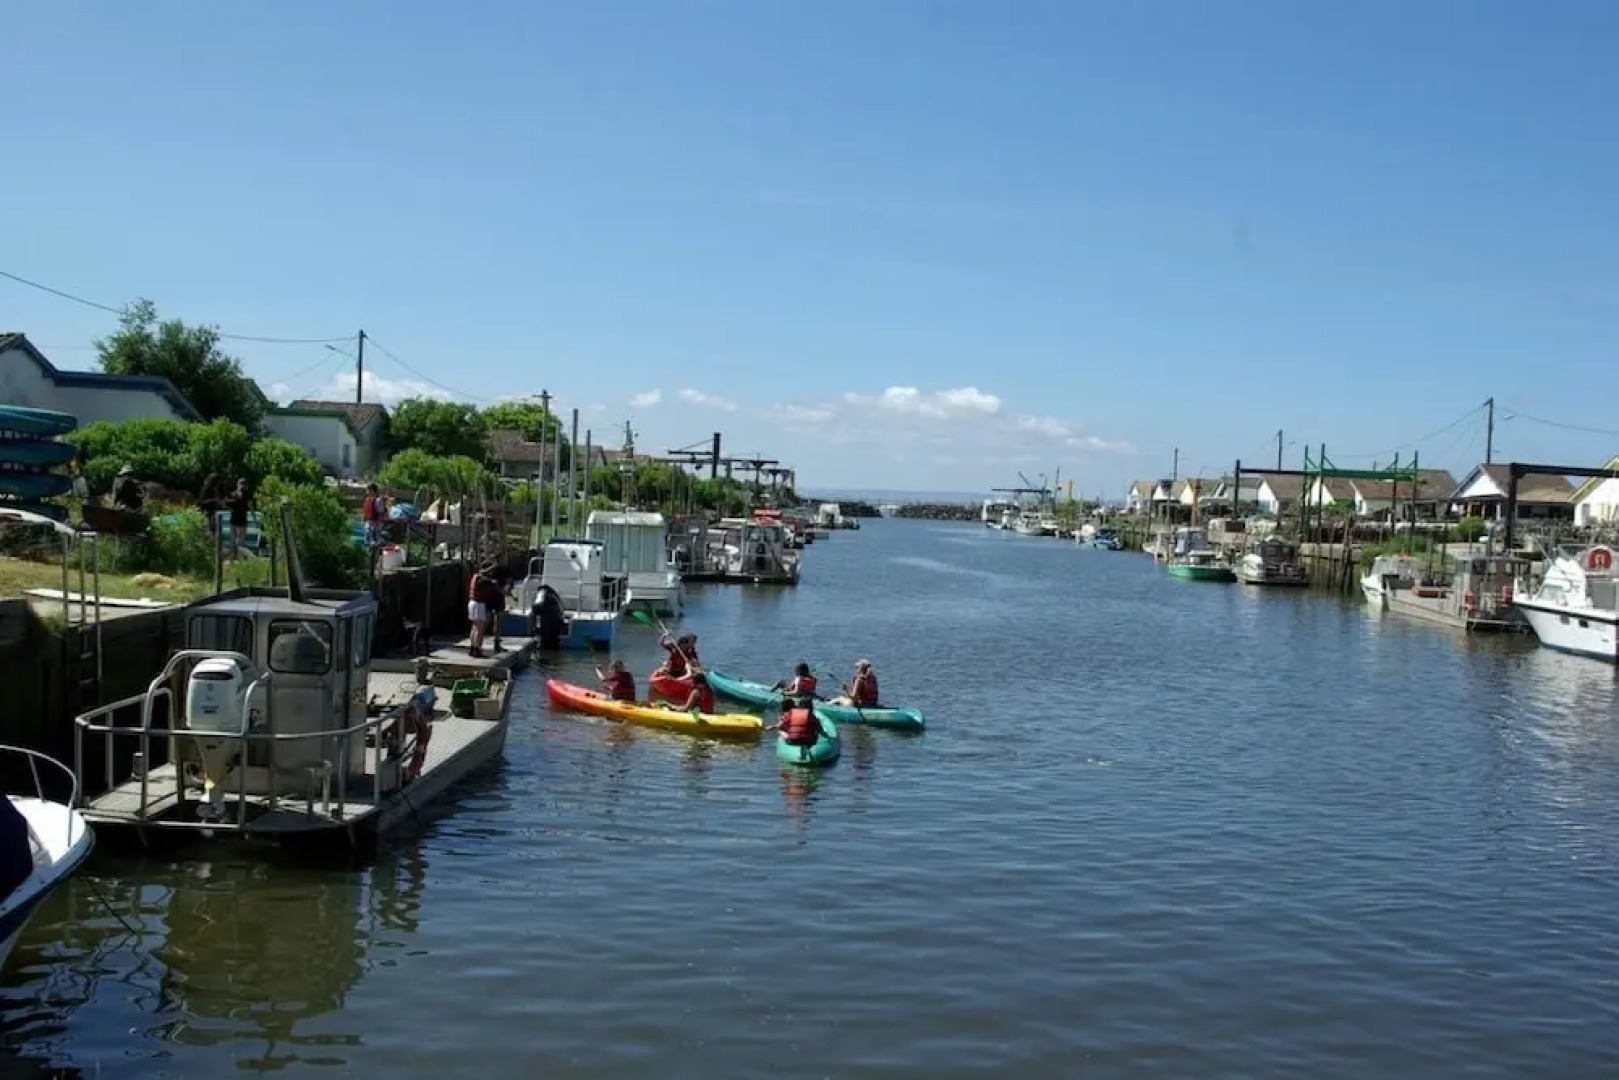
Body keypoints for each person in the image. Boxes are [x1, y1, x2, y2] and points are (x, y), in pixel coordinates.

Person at [479, 561, 511, 653]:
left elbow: (509, 580)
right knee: (486, 620)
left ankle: (497, 643)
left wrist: (507, 588)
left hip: (499, 597)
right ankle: (478, 645)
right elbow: (480, 574)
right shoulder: (486, 565)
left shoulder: (504, 569)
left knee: (499, 619)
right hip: (488, 596)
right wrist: (492, 567)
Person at [467, 565, 490, 658]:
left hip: (472, 603)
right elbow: (490, 582)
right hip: (478, 604)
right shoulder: (480, 579)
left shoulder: (475, 577)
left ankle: (473, 648)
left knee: (474, 628)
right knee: (480, 629)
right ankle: (477, 650)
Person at [534, 583, 566, 650]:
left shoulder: (541, 593)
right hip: (554, 620)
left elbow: (536, 606)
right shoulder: (553, 595)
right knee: (553, 641)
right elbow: (561, 610)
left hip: (547, 619)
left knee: (545, 641)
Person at [227, 479, 252, 558]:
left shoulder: (234, 494)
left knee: (233, 541)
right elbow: (250, 506)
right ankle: (239, 558)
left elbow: (228, 505)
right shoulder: (247, 495)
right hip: (241, 520)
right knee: (240, 542)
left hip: (234, 519)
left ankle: (234, 557)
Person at [362, 483, 388, 548]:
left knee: (375, 542)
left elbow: (381, 513)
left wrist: (380, 523)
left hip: (375, 524)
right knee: (368, 541)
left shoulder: (378, 500)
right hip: (368, 523)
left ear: (372, 490)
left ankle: (377, 553)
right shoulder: (368, 499)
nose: (367, 492)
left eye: (368, 490)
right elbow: (366, 513)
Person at [198, 475, 222, 540]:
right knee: (209, 528)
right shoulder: (206, 489)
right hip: (206, 510)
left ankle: (213, 541)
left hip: (212, 510)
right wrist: (212, 500)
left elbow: (217, 500)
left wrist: (219, 502)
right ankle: (209, 540)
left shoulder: (215, 490)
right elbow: (201, 501)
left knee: (214, 528)